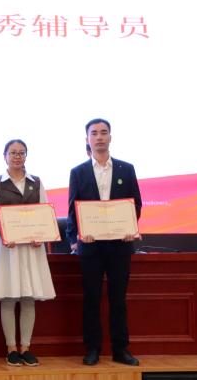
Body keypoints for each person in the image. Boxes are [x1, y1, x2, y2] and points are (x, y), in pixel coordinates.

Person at [66, 119, 142, 366]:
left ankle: (120, 349)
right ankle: (93, 349)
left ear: (110, 137)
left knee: (118, 299)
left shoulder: (126, 169)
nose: (99, 137)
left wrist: (130, 228)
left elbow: (136, 204)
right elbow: (72, 210)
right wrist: (75, 238)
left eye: (103, 133)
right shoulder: (78, 172)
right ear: (87, 139)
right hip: (91, 246)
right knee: (92, 298)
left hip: (120, 244)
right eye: (94, 133)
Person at [0, 139, 55, 367]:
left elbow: (44, 214)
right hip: (8, 249)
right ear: (4, 156)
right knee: (8, 297)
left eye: (21, 153)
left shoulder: (36, 182)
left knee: (28, 298)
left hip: (31, 248)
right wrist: (3, 232)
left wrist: (41, 234)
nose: (17, 156)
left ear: (26, 155)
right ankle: (11, 349)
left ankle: (26, 347)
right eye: (13, 152)